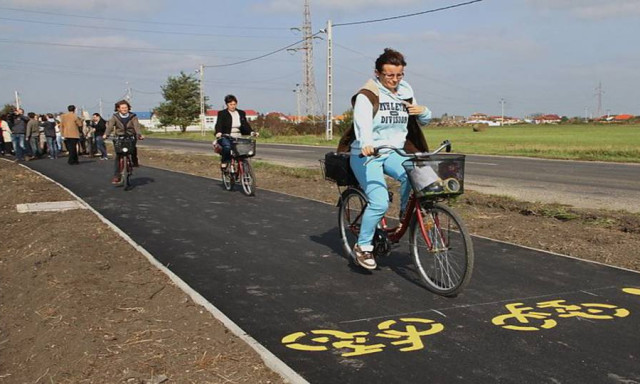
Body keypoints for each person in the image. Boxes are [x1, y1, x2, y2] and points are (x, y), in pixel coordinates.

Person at [337, 48, 433, 270]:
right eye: (390, 75)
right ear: (378, 73)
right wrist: (367, 142)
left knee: (417, 175)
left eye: (399, 75)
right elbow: (362, 123)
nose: (395, 80)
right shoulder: (368, 94)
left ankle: (404, 213)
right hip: (366, 153)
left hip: (394, 151)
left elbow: (422, 121)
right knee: (379, 201)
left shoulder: (405, 90)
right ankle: (363, 247)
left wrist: (424, 111)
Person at [103, 100, 143, 184]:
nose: (124, 109)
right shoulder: (115, 117)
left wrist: (139, 134)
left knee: (133, 149)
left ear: (128, 108)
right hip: (119, 137)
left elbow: (136, 126)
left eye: (126, 107)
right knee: (118, 155)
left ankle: (134, 161)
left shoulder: (133, 116)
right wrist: (106, 134)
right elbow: (110, 126)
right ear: (118, 109)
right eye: (122, 108)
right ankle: (117, 176)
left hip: (130, 136)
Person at [214, 94, 256, 169]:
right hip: (226, 136)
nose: (233, 106)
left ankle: (244, 167)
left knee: (245, 148)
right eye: (231, 104)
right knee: (227, 147)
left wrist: (251, 132)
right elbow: (218, 124)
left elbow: (245, 125)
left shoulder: (241, 113)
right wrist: (219, 132)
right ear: (227, 104)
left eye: (234, 104)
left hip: (238, 136)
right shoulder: (222, 113)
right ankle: (225, 161)